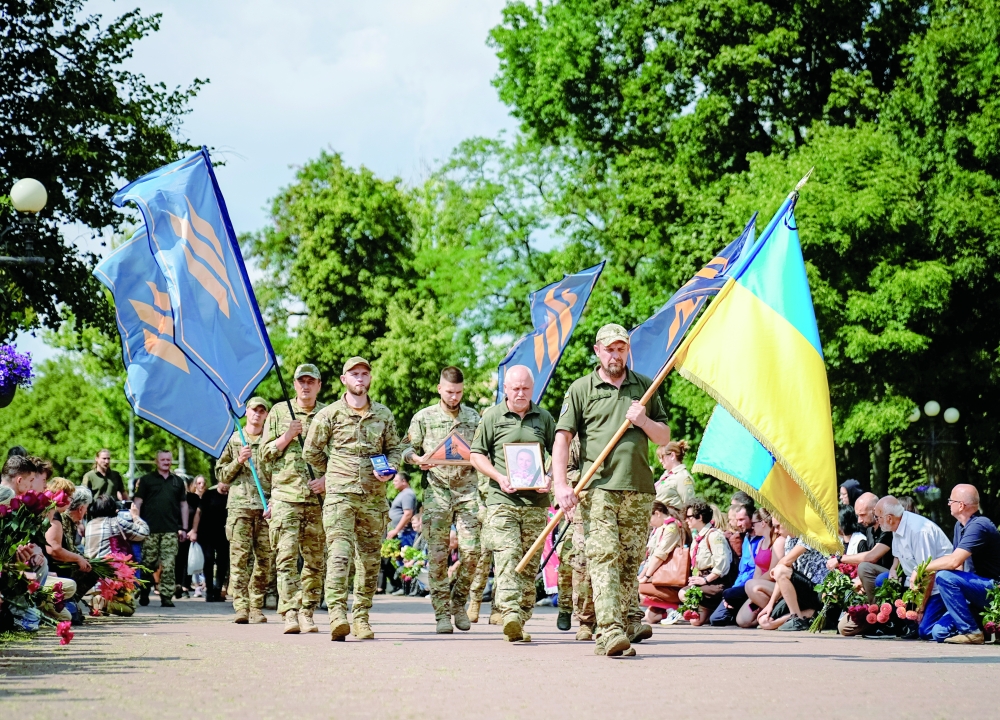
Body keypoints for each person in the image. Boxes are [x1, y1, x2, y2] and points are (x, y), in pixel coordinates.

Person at [553, 324, 672, 657]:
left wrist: (644, 421)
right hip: (598, 489)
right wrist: (561, 484)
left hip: (639, 488)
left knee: (629, 561)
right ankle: (609, 631)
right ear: (597, 351)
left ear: (627, 351)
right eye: (609, 349)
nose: (615, 354)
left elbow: (664, 437)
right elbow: (562, 438)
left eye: (620, 348)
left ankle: (624, 620)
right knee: (603, 556)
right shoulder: (581, 389)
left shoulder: (644, 387)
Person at [303, 356, 404, 641]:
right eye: (354, 374)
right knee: (339, 554)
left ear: (369, 379)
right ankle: (337, 615)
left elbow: (395, 449)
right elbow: (310, 451)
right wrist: (335, 470)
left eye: (364, 374)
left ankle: (361, 617)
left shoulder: (383, 414)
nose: (360, 378)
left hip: (374, 497)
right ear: (344, 380)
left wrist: (390, 469)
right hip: (340, 496)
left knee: (370, 560)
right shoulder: (330, 415)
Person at [470, 364, 556, 645]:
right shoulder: (492, 417)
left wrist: (551, 477)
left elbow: (560, 450)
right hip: (501, 500)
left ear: (533, 389)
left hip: (536, 502)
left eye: (525, 389)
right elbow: (476, 455)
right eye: (515, 388)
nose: (520, 393)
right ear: (505, 388)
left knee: (529, 565)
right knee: (507, 557)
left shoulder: (543, 418)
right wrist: (498, 476)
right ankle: (508, 613)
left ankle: (520, 617)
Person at [403, 366, 483, 634]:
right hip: (437, 492)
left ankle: (458, 603)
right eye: (449, 392)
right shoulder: (424, 418)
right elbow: (405, 449)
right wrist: (418, 459)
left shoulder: (474, 417)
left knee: (473, 551)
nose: (454, 397)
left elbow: (484, 451)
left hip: (468, 491)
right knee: (438, 556)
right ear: (439, 389)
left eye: (459, 392)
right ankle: (441, 614)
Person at [262, 363, 328, 634]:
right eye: (301, 381)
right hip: (286, 497)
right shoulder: (279, 412)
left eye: (311, 381)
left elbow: (341, 456)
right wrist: (287, 436)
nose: (306, 386)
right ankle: (289, 612)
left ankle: (308, 612)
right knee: (285, 557)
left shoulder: (328, 413)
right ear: (294, 384)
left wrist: (327, 480)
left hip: (318, 499)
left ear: (319, 385)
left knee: (315, 560)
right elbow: (264, 455)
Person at [918, 485, 1000, 644]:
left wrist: (921, 568)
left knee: (944, 577)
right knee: (937, 632)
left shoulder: (979, 525)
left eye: (951, 500)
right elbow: (958, 567)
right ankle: (978, 625)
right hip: (974, 591)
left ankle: (972, 632)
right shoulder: (960, 526)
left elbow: (954, 560)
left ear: (961, 505)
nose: (948, 503)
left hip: (992, 589)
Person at [216, 396, 274, 624]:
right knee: (239, 559)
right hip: (240, 507)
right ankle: (240, 606)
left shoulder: (272, 441)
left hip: (266, 507)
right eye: (253, 410)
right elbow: (221, 475)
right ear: (246, 412)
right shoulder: (233, 441)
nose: (257, 414)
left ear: (266, 415)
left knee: (264, 560)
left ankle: (256, 606)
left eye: (262, 410)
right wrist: (238, 461)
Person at [133, 450, 189, 608]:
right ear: (156, 461)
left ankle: (166, 596)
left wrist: (184, 528)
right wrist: (136, 522)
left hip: (170, 530)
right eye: (163, 459)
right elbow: (138, 502)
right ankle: (144, 591)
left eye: (169, 460)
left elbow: (183, 505)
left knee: (169, 564)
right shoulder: (146, 480)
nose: (166, 462)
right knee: (147, 564)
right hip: (149, 530)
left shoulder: (177, 481)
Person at [758, 534, 830, 632]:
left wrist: (776, 568)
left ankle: (797, 618)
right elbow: (782, 576)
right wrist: (770, 603)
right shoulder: (789, 539)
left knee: (780, 570)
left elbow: (786, 562)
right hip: (800, 591)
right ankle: (810, 614)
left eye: (778, 526)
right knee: (765, 622)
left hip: (817, 590)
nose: (776, 530)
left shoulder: (809, 535)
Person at [679, 499, 732, 625]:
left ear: (700, 517)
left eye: (689, 517)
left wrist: (706, 580)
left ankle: (716, 605)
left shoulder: (714, 535)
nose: (686, 520)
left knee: (683, 593)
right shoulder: (698, 537)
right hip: (703, 580)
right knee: (695, 622)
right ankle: (711, 610)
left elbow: (723, 563)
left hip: (716, 582)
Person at [710, 499, 761, 626]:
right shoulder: (746, 539)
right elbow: (742, 571)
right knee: (716, 619)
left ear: (751, 519)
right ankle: (737, 608)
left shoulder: (762, 539)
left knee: (729, 594)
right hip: (740, 586)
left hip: (752, 586)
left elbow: (754, 571)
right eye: (737, 520)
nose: (738, 524)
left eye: (742, 520)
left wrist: (731, 594)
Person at [638, 501, 687, 624]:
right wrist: (642, 575)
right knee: (651, 617)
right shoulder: (659, 528)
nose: (648, 522)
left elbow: (660, 555)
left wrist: (646, 576)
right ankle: (669, 609)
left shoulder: (672, 526)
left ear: (657, 513)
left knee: (634, 590)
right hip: (660, 578)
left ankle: (676, 608)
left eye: (649, 517)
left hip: (670, 581)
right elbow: (651, 557)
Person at [45, 483, 97, 601]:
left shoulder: (70, 521)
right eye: (86, 508)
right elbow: (54, 549)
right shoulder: (60, 518)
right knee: (91, 571)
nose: (86, 513)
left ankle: (70, 601)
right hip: (55, 566)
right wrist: (79, 559)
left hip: (62, 563)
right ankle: (67, 601)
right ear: (81, 508)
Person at [736, 509, 783, 628]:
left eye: (753, 524)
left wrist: (754, 584)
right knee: (742, 620)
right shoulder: (761, 542)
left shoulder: (778, 542)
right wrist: (752, 593)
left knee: (750, 585)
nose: (752, 527)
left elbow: (772, 572)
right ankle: (761, 612)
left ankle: (777, 613)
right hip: (760, 588)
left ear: (763, 523)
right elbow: (757, 571)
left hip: (774, 586)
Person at [196, 480, 230, 602]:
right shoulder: (209, 494)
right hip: (207, 533)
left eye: (228, 483)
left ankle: (218, 589)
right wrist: (194, 530)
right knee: (208, 559)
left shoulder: (231, 496)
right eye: (223, 482)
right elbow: (198, 513)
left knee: (222, 562)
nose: (225, 485)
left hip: (224, 535)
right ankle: (209, 590)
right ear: (219, 482)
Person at [85, 494, 150, 559]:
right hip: (110, 566)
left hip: (91, 565)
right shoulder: (115, 522)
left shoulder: (90, 524)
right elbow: (144, 532)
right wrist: (135, 516)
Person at [175, 475, 202, 599]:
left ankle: (185, 586)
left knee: (188, 559)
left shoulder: (193, 498)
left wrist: (193, 531)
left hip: (190, 533)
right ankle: (176, 585)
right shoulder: (173, 498)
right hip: (175, 532)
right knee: (175, 560)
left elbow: (198, 513)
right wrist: (178, 529)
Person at [655, 440, 695, 510]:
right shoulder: (665, 476)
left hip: (674, 519)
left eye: (662, 457)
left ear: (672, 456)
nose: (660, 461)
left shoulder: (683, 477)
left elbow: (689, 505)